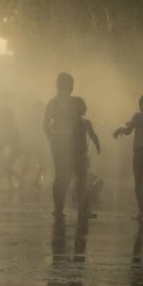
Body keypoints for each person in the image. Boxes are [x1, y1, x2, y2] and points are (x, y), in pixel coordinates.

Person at [43, 73, 84, 217]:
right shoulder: (76, 102)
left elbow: (45, 125)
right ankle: (79, 209)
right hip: (70, 141)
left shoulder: (53, 102)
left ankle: (58, 209)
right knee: (75, 174)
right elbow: (82, 115)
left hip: (57, 140)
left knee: (60, 175)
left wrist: (51, 139)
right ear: (70, 86)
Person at [74, 98, 101, 218]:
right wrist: (97, 144)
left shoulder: (85, 123)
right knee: (80, 182)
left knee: (80, 181)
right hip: (76, 155)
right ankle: (82, 208)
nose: (84, 108)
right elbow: (93, 135)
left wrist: (97, 144)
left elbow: (93, 135)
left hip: (79, 155)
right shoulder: (80, 123)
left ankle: (82, 208)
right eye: (82, 106)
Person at [0, 104, 23, 197]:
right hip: (4, 148)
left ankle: (4, 183)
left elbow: (16, 137)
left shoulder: (10, 125)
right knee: (6, 166)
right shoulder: (1, 124)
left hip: (11, 149)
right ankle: (8, 184)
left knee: (6, 166)